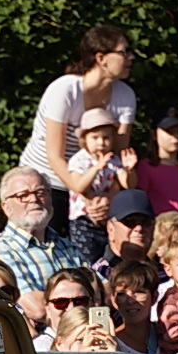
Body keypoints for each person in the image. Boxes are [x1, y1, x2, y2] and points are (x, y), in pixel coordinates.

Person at [17, 25, 137, 238]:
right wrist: (87, 198)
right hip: (46, 182)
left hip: (96, 188)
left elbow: (118, 156)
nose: (131, 57)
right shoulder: (64, 90)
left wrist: (107, 198)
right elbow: (55, 156)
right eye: (123, 52)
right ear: (101, 58)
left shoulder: (125, 96)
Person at [0, 166, 89, 302]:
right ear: (6, 207)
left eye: (40, 192)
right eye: (23, 196)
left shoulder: (66, 246)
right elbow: (35, 308)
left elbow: (102, 289)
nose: (34, 199)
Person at [65, 107, 137, 262]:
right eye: (95, 138)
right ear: (85, 139)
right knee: (85, 258)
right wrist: (97, 167)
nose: (101, 143)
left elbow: (128, 184)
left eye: (106, 138)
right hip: (83, 219)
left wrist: (129, 169)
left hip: (107, 218)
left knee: (108, 258)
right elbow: (78, 186)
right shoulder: (79, 160)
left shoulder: (114, 160)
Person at [138, 106, 178, 217]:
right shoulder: (146, 167)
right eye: (169, 131)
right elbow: (141, 205)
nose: (175, 137)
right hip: (160, 230)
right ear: (154, 134)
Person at [108, 259, 161, 354]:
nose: (130, 300)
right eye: (122, 294)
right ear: (114, 300)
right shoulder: (111, 345)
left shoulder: (167, 338)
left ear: (154, 297)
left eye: (139, 292)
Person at [33, 267, 103, 351]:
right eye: (61, 302)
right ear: (47, 309)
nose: (71, 308)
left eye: (80, 301)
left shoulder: (108, 343)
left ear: (91, 304)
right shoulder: (37, 350)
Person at [93, 189, 156, 278]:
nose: (139, 228)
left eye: (146, 222)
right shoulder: (97, 277)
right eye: (130, 222)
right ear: (111, 229)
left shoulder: (166, 277)